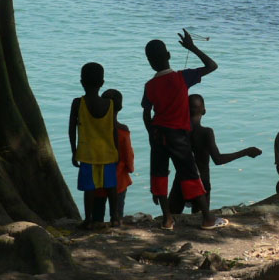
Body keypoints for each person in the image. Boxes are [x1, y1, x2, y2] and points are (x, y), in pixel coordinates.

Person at [142, 28, 224, 230]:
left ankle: (167, 219)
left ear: (149, 62)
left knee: (160, 175)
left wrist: (150, 132)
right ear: (169, 56)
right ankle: (207, 218)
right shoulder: (182, 78)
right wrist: (192, 47)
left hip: (158, 135)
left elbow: (146, 112)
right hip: (178, 136)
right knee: (190, 173)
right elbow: (212, 65)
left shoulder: (150, 85)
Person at [167, 94, 262, 214]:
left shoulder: (178, 132)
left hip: (181, 180)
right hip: (202, 183)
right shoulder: (206, 132)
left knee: (171, 216)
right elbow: (218, 159)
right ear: (204, 111)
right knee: (200, 218)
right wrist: (246, 152)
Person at [68, 62, 119, 228]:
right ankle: (115, 217)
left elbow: (71, 130)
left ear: (82, 81)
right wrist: (116, 151)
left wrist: (74, 150)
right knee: (111, 186)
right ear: (102, 83)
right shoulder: (110, 104)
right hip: (108, 152)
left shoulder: (78, 103)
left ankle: (88, 219)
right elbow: (114, 131)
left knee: (89, 188)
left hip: (87, 153)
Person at [92, 89, 134, 222]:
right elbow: (128, 156)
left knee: (97, 212)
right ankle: (115, 225)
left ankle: (96, 226)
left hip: (98, 178)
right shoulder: (123, 131)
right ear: (120, 108)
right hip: (119, 179)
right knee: (117, 212)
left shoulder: (94, 130)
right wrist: (130, 169)